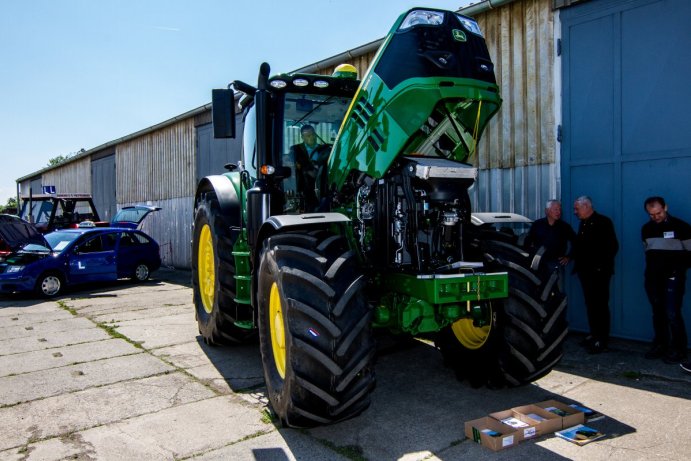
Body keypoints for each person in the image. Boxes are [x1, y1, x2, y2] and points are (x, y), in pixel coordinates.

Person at [641, 196, 691, 364]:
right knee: (658, 313)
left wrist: (675, 269)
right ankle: (661, 345)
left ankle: (679, 349)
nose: (656, 217)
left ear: (665, 208)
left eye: (659, 212)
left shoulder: (682, 227)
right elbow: (648, 253)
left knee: (672, 313)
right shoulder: (646, 229)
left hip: (673, 279)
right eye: (651, 214)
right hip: (653, 279)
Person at [572, 196, 619, 354]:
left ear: (586, 206)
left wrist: (599, 266)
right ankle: (593, 334)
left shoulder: (602, 222)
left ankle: (602, 339)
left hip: (599, 273)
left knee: (600, 305)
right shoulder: (583, 223)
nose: (575, 212)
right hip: (585, 272)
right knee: (591, 305)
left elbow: (612, 247)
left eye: (577, 209)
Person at [526, 199, 576, 274]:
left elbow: (576, 242)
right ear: (547, 211)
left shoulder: (565, 227)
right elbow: (529, 241)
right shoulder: (537, 224)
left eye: (559, 209)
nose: (558, 212)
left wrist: (569, 257)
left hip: (556, 264)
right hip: (539, 262)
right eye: (555, 209)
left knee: (556, 284)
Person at [289, 124, 331, 211]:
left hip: (322, 184)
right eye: (308, 136)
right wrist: (307, 168)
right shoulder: (296, 149)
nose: (311, 137)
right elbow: (294, 164)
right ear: (302, 137)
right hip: (304, 186)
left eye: (313, 135)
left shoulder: (324, 149)